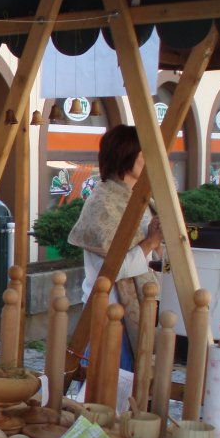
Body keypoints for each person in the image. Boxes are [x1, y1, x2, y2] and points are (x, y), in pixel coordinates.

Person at [68, 124, 163, 370]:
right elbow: (111, 270)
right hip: (107, 311)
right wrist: (150, 242)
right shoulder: (102, 203)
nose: (149, 160)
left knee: (129, 386)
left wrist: (159, 244)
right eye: (144, 153)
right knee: (104, 386)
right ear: (126, 154)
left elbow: (154, 256)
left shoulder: (141, 199)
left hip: (139, 309)